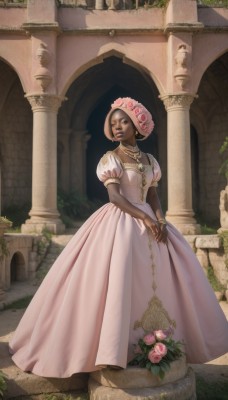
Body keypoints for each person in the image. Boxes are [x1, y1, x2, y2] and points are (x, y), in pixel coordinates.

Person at [9, 97, 228, 378]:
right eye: (113, 124)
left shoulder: (150, 161)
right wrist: (146, 218)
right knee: (119, 278)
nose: (118, 127)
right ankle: (114, 349)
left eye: (123, 121)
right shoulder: (110, 159)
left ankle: (161, 341)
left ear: (137, 125)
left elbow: (152, 195)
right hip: (121, 222)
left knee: (168, 277)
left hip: (152, 225)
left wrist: (160, 220)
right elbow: (114, 197)